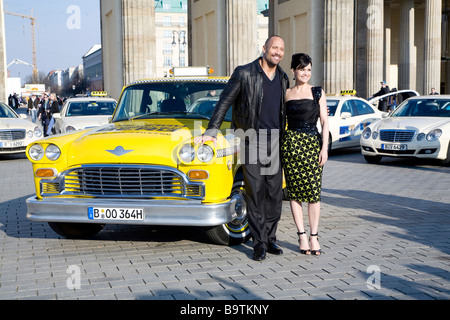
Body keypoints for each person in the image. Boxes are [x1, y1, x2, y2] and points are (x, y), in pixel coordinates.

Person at [194, 35, 289, 261]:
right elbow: (224, 101)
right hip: (250, 139)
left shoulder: (283, 77)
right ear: (264, 48)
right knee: (255, 193)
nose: (278, 52)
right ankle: (259, 243)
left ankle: (271, 238)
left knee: (274, 194)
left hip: (275, 141)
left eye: (281, 49)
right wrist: (211, 131)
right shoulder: (244, 72)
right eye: (274, 47)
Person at [281, 53, 329, 256]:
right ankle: (301, 235)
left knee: (313, 193)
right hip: (291, 146)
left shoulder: (318, 92)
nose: (306, 73)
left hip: (312, 145)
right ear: (293, 71)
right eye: (302, 69)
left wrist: (324, 148)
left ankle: (314, 236)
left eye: (309, 69)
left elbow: (325, 122)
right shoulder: (286, 94)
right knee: (294, 193)